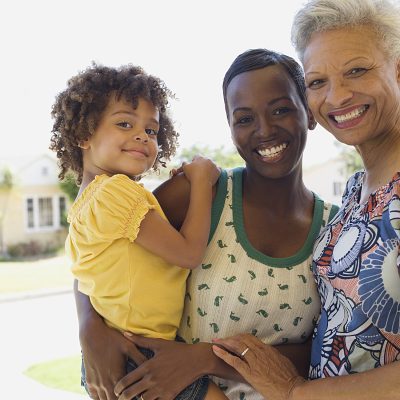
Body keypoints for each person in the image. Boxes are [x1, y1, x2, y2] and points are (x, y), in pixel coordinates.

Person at [74, 50, 339, 400]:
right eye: (244, 119)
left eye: (281, 110)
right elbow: (102, 257)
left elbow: (327, 353)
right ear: (230, 127)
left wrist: (204, 360)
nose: (264, 129)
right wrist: (90, 329)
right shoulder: (199, 194)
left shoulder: (337, 230)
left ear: (309, 113)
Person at [212, 1, 400, 399]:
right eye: (317, 82)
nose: (338, 95)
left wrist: (295, 392)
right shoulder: (354, 192)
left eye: (357, 70)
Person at [49, 63, 227, 400]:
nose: (142, 136)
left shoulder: (84, 206)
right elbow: (189, 254)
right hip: (140, 354)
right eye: (124, 124)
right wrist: (202, 179)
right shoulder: (116, 192)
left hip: (117, 351)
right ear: (83, 134)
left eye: (152, 130)